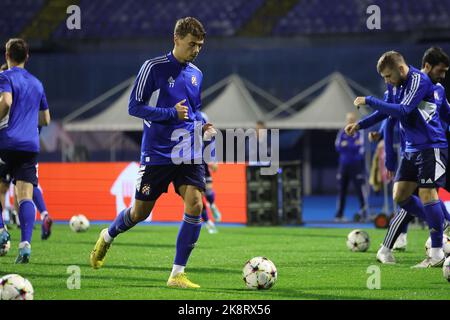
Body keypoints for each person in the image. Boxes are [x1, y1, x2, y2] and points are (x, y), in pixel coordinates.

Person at [90, 17, 213, 289]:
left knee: (195, 203)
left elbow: (192, 110)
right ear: (176, 39)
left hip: (187, 151)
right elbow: (134, 107)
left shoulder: (197, 74)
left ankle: (176, 274)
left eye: (200, 46)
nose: (195, 50)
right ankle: (107, 236)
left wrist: (202, 124)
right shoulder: (153, 68)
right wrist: (170, 113)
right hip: (157, 153)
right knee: (139, 213)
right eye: (192, 44)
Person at [351, 50, 448, 268]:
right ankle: (441, 223)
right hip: (411, 150)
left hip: (430, 147)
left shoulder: (418, 80)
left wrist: (369, 100)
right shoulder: (395, 85)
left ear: (400, 69)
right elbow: (386, 114)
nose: (386, 81)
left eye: (387, 76)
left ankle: (436, 251)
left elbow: (403, 111)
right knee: (400, 195)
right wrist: (359, 125)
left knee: (427, 193)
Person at [0, 38, 51, 263]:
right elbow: (46, 119)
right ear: (27, 57)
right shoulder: (38, 83)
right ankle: (25, 246)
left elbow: (7, 102)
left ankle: (2, 231)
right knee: (25, 196)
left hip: (7, 143)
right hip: (30, 145)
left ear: (7, 55)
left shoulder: (5, 77)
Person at [334, 112, 367, 222]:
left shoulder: (359, 133)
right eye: (349, 119)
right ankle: (339, 215)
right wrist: (352, 145)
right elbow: (338, 147)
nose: (350, 121)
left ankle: (363, 213)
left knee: (360, 191)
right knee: (341, 191)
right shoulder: (342, 133)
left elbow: (361, 149)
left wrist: (347, 145)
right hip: (344, 166)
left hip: (356, 166)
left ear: (355, 120)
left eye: (352, 119)